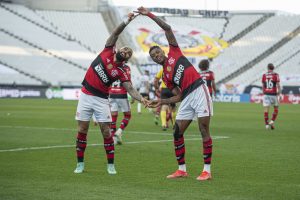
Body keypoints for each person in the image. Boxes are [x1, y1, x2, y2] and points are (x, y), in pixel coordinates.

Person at [136, 7, 213, 181]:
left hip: (199, 90)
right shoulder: (165, 76)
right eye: (153, 56)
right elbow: (178, 96)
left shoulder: (175, 52)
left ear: (162, 51)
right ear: (153, 60)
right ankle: (182, 170)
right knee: (177, 132)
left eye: (157, 53)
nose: (156, 56)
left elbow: (167, 28)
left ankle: (207, 171)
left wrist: (148, 14)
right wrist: (160, 101)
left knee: (203, 129)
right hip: (187, 97)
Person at [74, 12, 148, 175]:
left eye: (129, 53)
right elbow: (115, 33)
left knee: (106, 132)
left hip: (101, 99)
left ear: (127, 59)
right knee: (82, 130)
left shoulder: (123, 70)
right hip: (85, 95)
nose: (126, 51)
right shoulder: (108, 50)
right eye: (124, 49)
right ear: (118, 49)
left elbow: (130, 88)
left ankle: (111, 165)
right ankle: (80, 164)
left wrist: (142, 99)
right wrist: (126, 20)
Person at [109, 64, 133, 145]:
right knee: (127, 115)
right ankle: (119, 131)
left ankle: (114, 139)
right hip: (121, 94)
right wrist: (132, 95)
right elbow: (128, 81)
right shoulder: (126, 67)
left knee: (113, 116)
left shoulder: (112, 66)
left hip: (111, 93)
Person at [262, 63, 281, 130]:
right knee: (276, 108)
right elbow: (278, 85)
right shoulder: (276, 75)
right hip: (273, 94)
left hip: (266, 94)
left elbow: (263, 85)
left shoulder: (264, 75)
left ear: (267, 68)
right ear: (273, 68)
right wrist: (279, 93)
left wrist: (264, 93)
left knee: (266, 110)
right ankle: (272, 121)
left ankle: (266, 125)